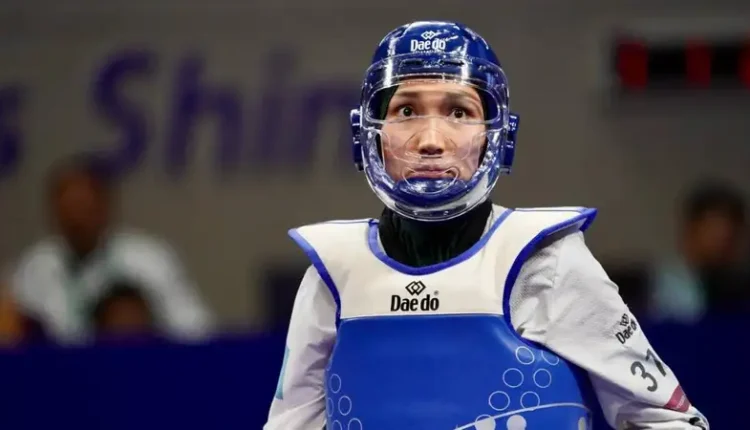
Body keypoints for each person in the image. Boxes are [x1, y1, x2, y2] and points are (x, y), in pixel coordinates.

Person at [265, 21, 709, 429]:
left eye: (458, 112)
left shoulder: (544, 262)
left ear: (498, 136)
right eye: (406, 111)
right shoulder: (333, 276)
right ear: (369, 134)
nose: (431, 140)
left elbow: (668, 421)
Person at [9, 155, 214, 345]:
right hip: (57, 370)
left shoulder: (150, 260)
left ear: (105, 206)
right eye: (67, 211)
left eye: (83, 208)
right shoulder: (33, 267)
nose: (77, 221)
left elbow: (196, 331)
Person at [650, 182, 748, 323]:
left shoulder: (741, 293)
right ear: (690, 233)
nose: (720, 246)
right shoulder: (654, 290)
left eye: (729, 237)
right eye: (713, 234)